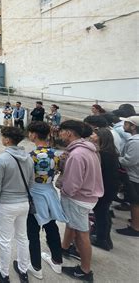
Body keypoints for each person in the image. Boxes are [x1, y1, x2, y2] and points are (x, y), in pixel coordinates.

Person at [58, 120, 103, 282]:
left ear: (69, 133)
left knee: (81, 234)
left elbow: (71, 185)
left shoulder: (77, 155)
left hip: (78, 199)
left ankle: (85, 270)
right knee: (73, 225)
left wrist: (63, 191)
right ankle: (64, 247)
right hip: (88, 195)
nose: (59, 134)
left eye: (61, 131)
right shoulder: (87, 149)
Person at [0, 126, 34, 283]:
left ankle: (4, 273)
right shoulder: (28, 158)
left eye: (3, 136)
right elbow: (31, 182)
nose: (2, 139)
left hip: (6, 204)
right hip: (23, 203)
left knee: (4, 239)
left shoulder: (1, 159)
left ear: (7, 139)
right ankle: (23, 270)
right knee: (22, 237)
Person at [26, 122, 67, 279]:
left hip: (35, 194)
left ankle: (36, 266)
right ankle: (57, 260)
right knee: (51, 227)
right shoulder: (56, 154)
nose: (29, 135)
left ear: (34, 135)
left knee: (32, 231)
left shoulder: (31, 156)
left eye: (30, 133)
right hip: (50, 192)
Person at [89, 128, 120, 249]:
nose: (92, 135)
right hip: (110, 187)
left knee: (101, 213)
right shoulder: (110, 152)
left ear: (101, 137)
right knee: (104, 212)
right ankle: (105, 237)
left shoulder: (103, 154)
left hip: (104, 188)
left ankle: (101, 239)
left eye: (94, 134)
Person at [116, 115, 139, 237]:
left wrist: (117, 158)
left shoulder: (135, 142)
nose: (123, 126)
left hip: (134, 176)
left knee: (135, 203)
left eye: (126, 124)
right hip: (134, 175)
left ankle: (135, 227)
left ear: (133, 126)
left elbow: (130, 160)